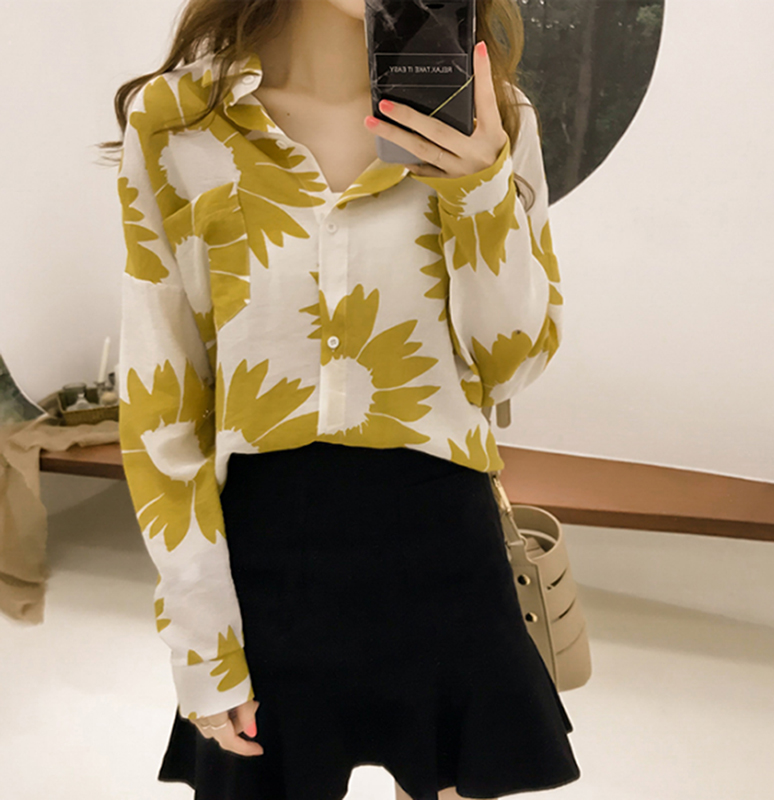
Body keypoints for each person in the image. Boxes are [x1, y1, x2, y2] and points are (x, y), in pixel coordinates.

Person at [107, 0, 580, 798]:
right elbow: (162, 397)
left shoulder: (487, 115)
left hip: (443, 546)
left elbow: (510, 366)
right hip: (262, 560)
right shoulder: (177, 122)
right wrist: (201, 634)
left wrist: (479, 187)